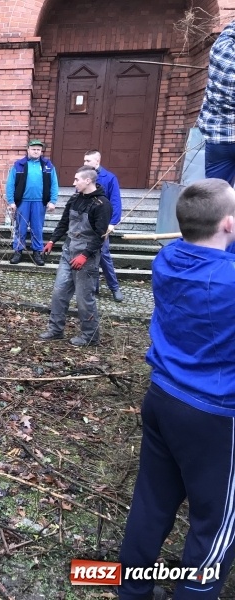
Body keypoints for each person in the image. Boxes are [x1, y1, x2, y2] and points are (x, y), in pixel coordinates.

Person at [118, 179, 235, 600]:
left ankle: (132, 591)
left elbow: (210, 253)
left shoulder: (167, 258)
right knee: (215, 522)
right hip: (215, 416)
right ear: (228, 223)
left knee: (152, 501)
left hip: (163, 397)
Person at [38, 166, 111, 346]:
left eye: (77, 179)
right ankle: (56, 330)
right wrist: (52, 241)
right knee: (59, 292)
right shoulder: (74, 199)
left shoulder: (102, 205)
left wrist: (85, 255)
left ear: (88, 181)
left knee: (84, 298)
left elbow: (101, 236)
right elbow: (64, 223)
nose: (73, 183)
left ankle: (90, 336)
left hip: (87, 256)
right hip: (68, 250)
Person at [5, 139, 58, 265]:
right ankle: (18, 251)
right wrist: (11, 201)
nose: (36, 151)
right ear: (28, 149)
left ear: (41, 151)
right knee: (20, 228)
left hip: (40, 202)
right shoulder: (19, 165)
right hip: (22, 202)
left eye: (38, 150)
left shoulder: (48, 165)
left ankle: (37, 252)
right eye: (33, 149)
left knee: (37, 228)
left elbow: (54, 184)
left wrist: (53, 201)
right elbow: (10, 184)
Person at [83, 150, 124, 302]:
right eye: (84, 160)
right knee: (89, 256)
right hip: (87, 223)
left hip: (103, 224)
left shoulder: (109, 178)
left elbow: (115, 201)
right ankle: (94, 288)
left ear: (97, 161)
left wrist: (112, 223)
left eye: (88, 161)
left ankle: (114, 288)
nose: (85, 163)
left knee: (104, 256)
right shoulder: (83, 176)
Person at [197, 21, 235, 185]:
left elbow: (230, 31)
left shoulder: (221, 48)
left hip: (218, 139)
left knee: (215, 194)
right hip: (220, 139)